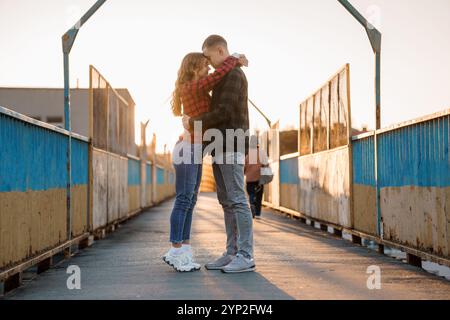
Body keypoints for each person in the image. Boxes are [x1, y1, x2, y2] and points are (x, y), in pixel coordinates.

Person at [163, 51, 248, 272]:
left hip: (195, 150)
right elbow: (216, 76)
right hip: (188, 149)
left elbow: (216, 79)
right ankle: (175, 249)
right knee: (183, 200)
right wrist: (235, 59)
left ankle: (184, 251)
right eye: (204, 66)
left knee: (190, 201)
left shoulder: (196, 88)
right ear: (193, 69)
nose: (208, 69)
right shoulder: (192, 87)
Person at [184, 35, 255, 273]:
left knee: (236, 199)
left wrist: (193, 121)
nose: (209, 63)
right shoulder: (226, 73)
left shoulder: (234, 75)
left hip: (232, 144)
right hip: (220, 145)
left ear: (220, 50)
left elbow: (224, 111)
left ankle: (245, 255)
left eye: (209, 57)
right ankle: (232, 252)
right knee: (226, 201)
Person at [244, 137, 268, 220]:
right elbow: (266, 165)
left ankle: (251, 205)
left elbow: (244, 168)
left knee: (251, 194)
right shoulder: (261, 154)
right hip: (259, 179)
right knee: (259, 196)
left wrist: (246, 173)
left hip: (249, 179)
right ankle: (257, 213)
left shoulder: (248, 156)